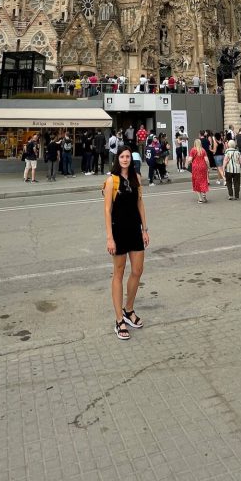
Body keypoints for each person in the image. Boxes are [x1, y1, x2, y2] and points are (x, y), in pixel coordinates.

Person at [103, 146, 149, 341]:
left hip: (135, 231)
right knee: (119, 273)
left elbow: (140, 203)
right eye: (122, 156)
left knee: (137, 271)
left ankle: (129, 310)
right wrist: (109, 237)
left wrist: (145, 229)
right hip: (119, 231)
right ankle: (119, 319)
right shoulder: (111, 181)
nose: (125, 159)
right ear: (117, 159)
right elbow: (107, 210)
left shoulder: (136, 178)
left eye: (128, 156)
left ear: (132, 159)